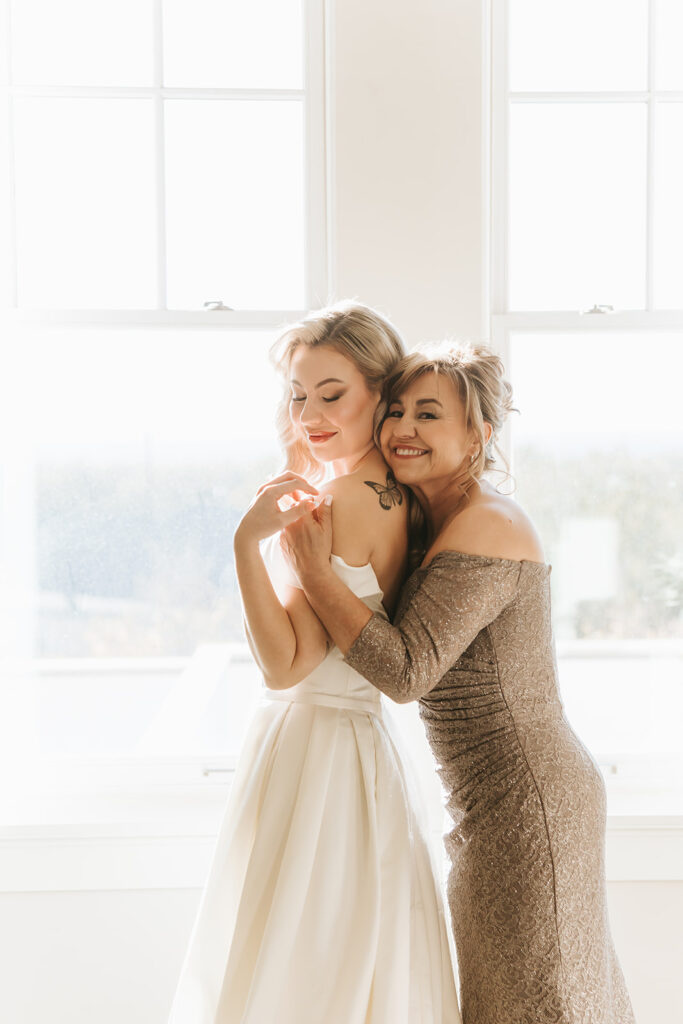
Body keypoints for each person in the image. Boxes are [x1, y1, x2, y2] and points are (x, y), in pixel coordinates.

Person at [282, 341, 636, 1024]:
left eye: (428, 414)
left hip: (528, 798)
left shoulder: (489, 525)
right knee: (520, 995)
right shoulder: (436, 518)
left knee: (541, 1001)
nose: (403, 428)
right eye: (394, 411)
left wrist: (315, 574)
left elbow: (405, 672)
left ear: (478, 435)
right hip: (491, 800)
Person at [167, 304, 460, 1024]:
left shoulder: (341, 499)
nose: (309, 415)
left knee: (298, 973)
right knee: (342, 961)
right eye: (298, 395)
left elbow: (285, 665)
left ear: (380, 393)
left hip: (317, 754)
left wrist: (245, 543)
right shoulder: (390, 496)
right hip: (353, 747)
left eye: (332, 394)